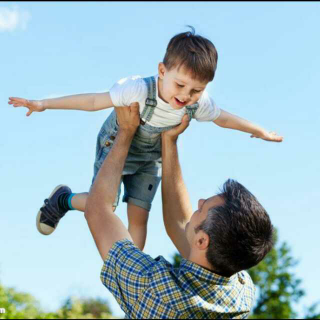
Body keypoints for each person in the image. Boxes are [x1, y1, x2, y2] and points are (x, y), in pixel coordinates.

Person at [8, 27, 282, 251]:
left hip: (152, 157)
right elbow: (93, 101)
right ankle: (63, 200)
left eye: (196, 90)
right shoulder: (138, 89)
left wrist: (258, 130)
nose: (186, 96)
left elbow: (223, 118)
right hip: (118, 143)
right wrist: (43, 104)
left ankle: (133, 273)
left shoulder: (198, 103)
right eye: (180, 85)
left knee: (140, 216)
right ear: (162, 71)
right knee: (105, 205)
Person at [86, 104, 273, 319]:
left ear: (202, 241)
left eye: (203, 208)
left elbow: (97, 209)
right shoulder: (239, 294)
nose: (200, 201)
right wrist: (169, 141)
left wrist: (125, 133)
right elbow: (181, 223)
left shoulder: (157, 293)